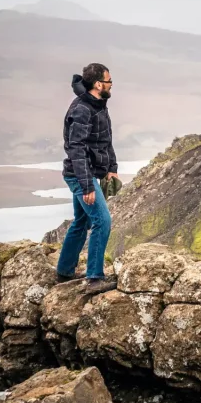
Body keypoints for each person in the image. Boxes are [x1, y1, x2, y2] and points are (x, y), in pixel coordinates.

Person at [55, 62, 118, 291]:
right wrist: (87, 186)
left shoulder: (98, 104)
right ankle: (94, 278)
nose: (111, 85)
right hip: (81, 175)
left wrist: (112, 167)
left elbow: (105, 139)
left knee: (82, 221)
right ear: (99, 84)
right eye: (109, 81)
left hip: (88, 173)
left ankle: (64, 271)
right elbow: (77, 149)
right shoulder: (82, 109)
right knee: (102, 221)